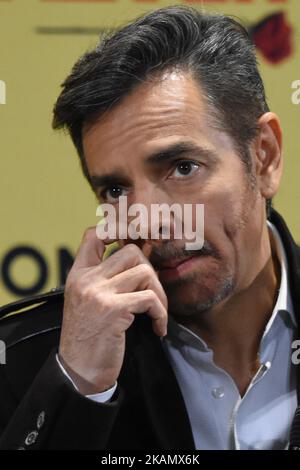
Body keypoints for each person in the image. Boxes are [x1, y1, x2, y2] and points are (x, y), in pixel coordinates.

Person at [0, 5, 300, 450]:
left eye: (182, 167)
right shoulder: (27, 360)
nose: (149, 220)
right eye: (116, 191)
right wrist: (77, 387)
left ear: (264, 157)